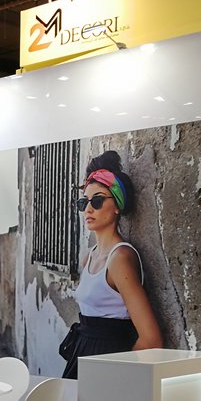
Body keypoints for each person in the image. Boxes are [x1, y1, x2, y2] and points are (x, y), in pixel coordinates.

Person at [61, 151, 162, 379]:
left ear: (117, 205)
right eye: (84, 202)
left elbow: (151, 339)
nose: (88, 209)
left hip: (108, 362)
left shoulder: (120, 258)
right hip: (83, 354)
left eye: (97, 201)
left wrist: (117, 375)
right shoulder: (89, 257)